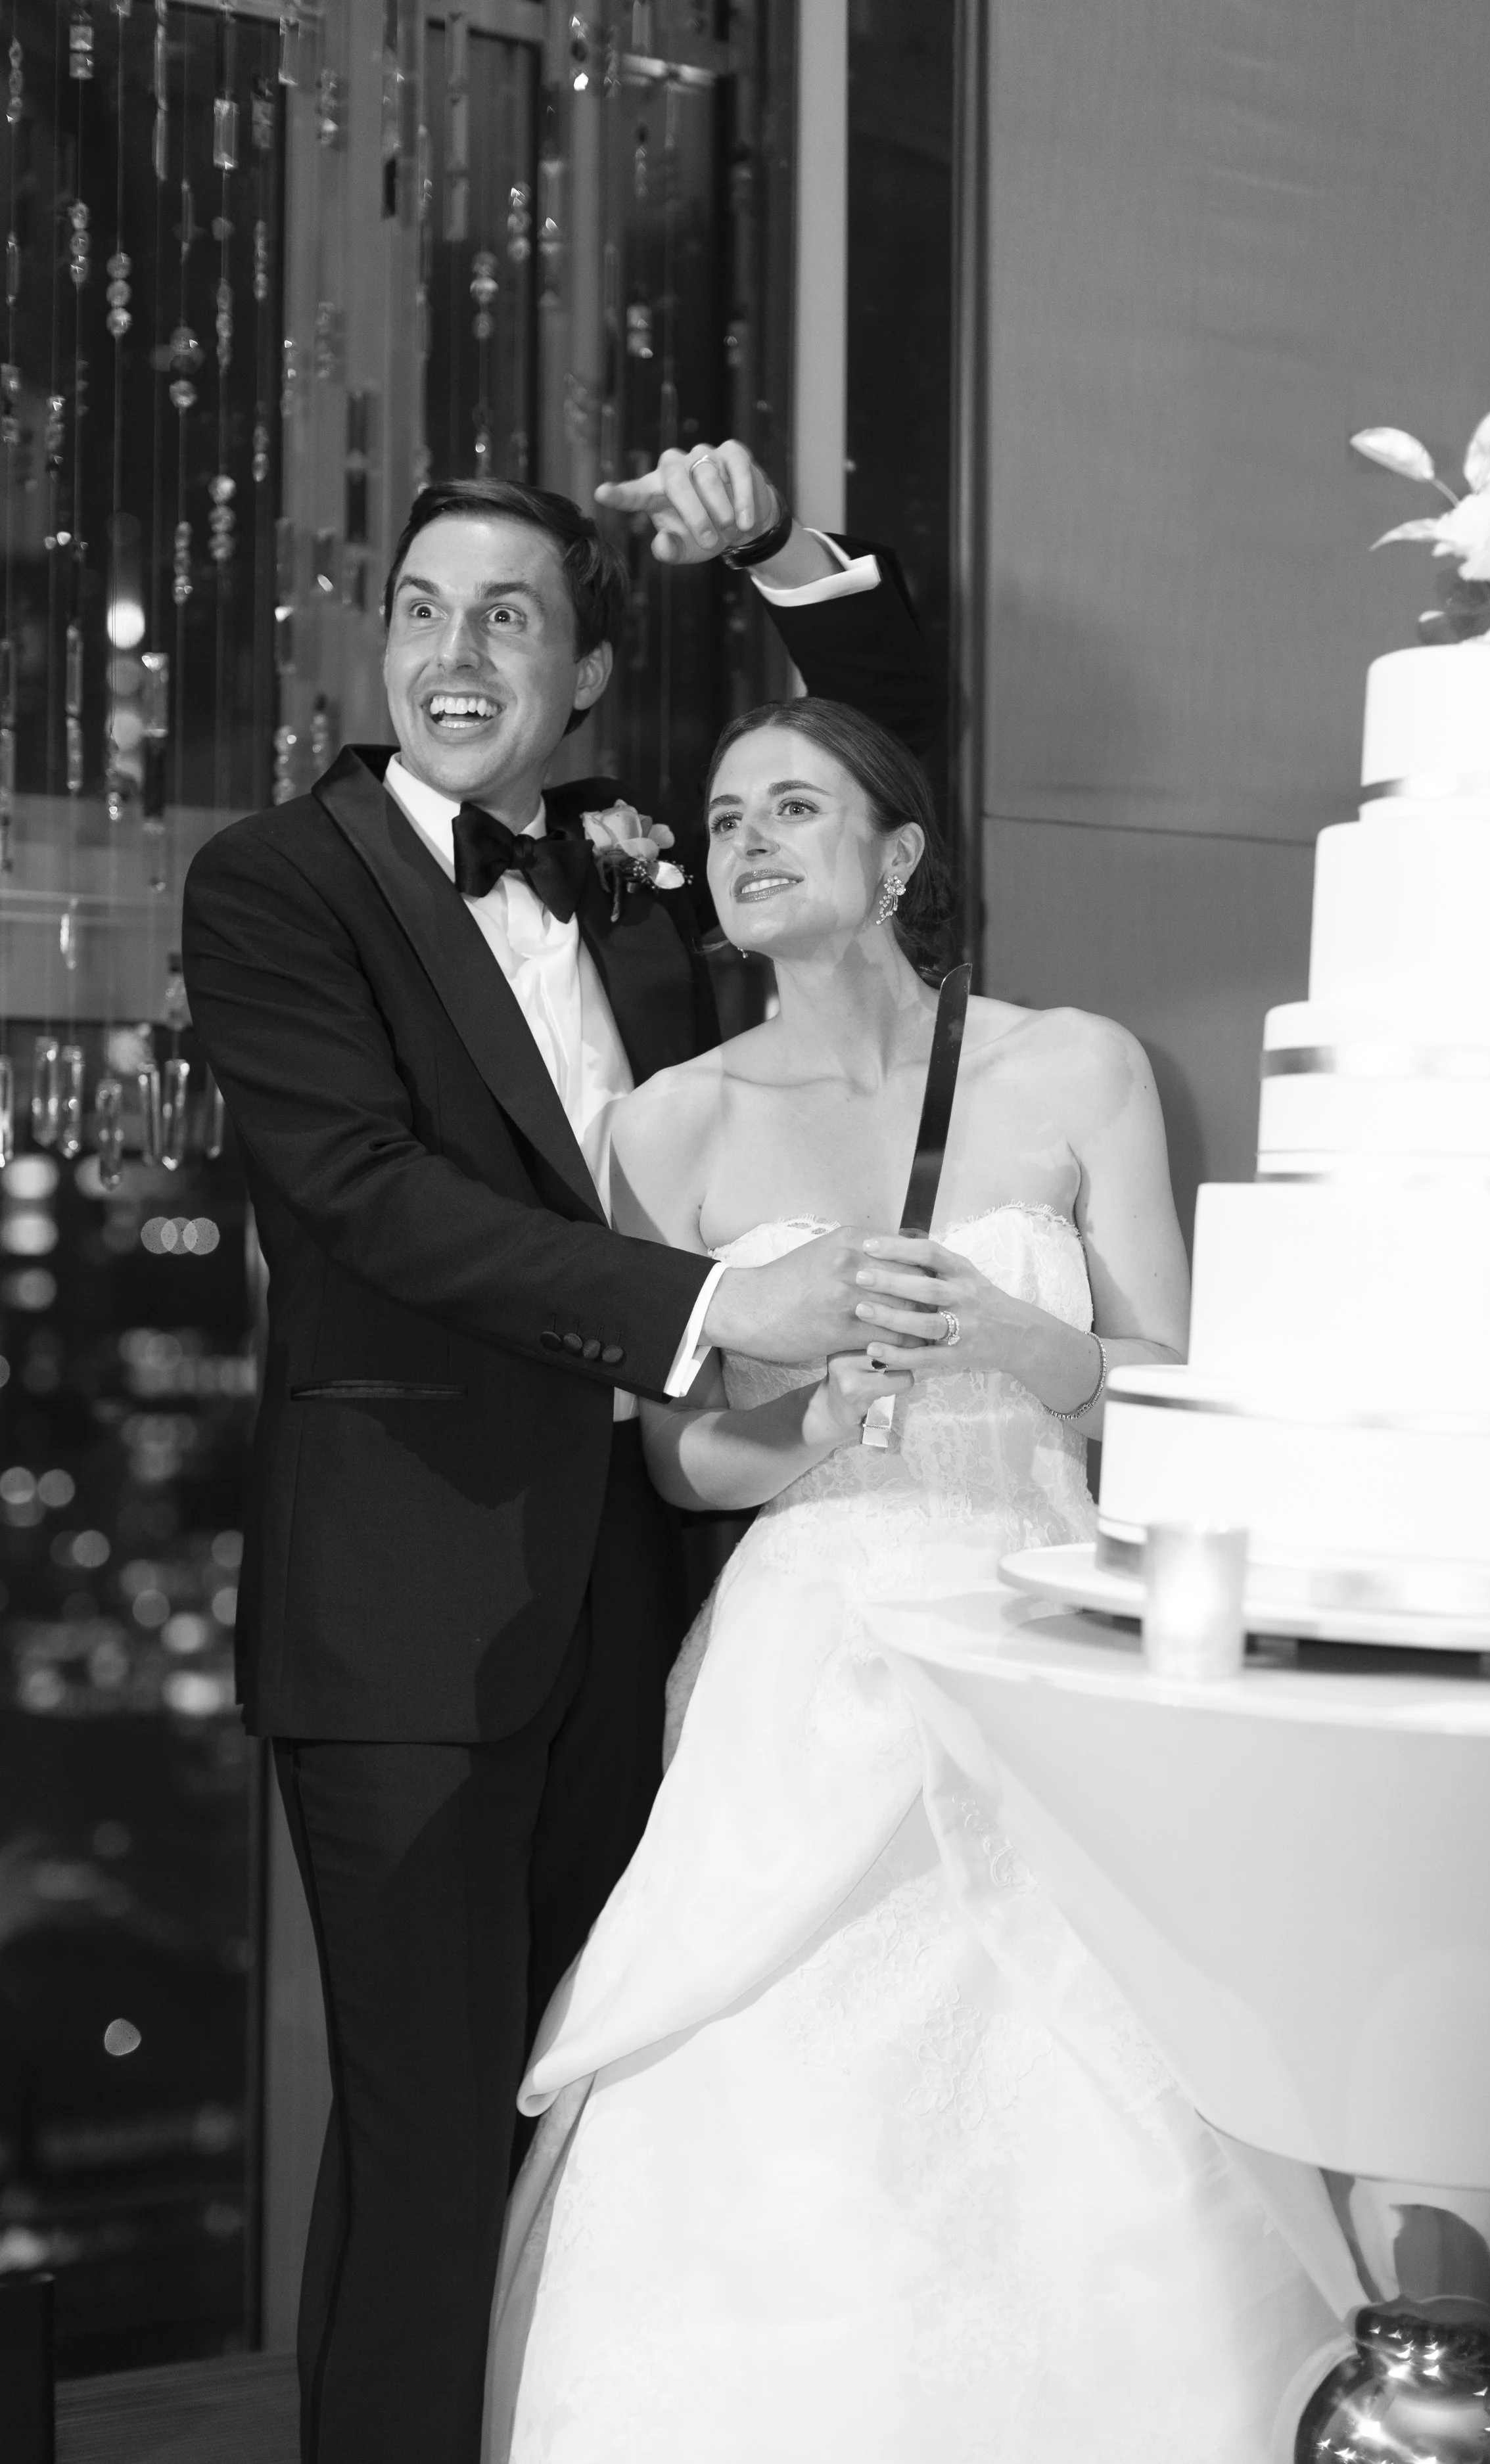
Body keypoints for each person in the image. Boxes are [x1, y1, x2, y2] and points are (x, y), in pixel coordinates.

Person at [181, 445, 943, 2464]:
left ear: (586, 674)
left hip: (652, 1588)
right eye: (424, 608)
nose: (456, 650)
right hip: (408, 1612)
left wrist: (777, 546)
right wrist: (713, 1305)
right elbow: (367, 1193)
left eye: (509, 616)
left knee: (594, 2119)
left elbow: (887, 762)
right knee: (431, 2145)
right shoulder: (278, 880)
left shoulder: (634, 865)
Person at [485, 698, 1333, 2463]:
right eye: (726, 817)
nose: (749, 840)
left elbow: (1171, 1393)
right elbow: (680, 1461)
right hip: (805, 1664)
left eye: (795, 806)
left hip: (1041, 1631)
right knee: (774, 2087)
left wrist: (1031, 1342)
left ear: (901, 854)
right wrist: (810, 1422)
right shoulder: (665, 1126)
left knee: (1088, 2073)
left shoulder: (1076, 1067)